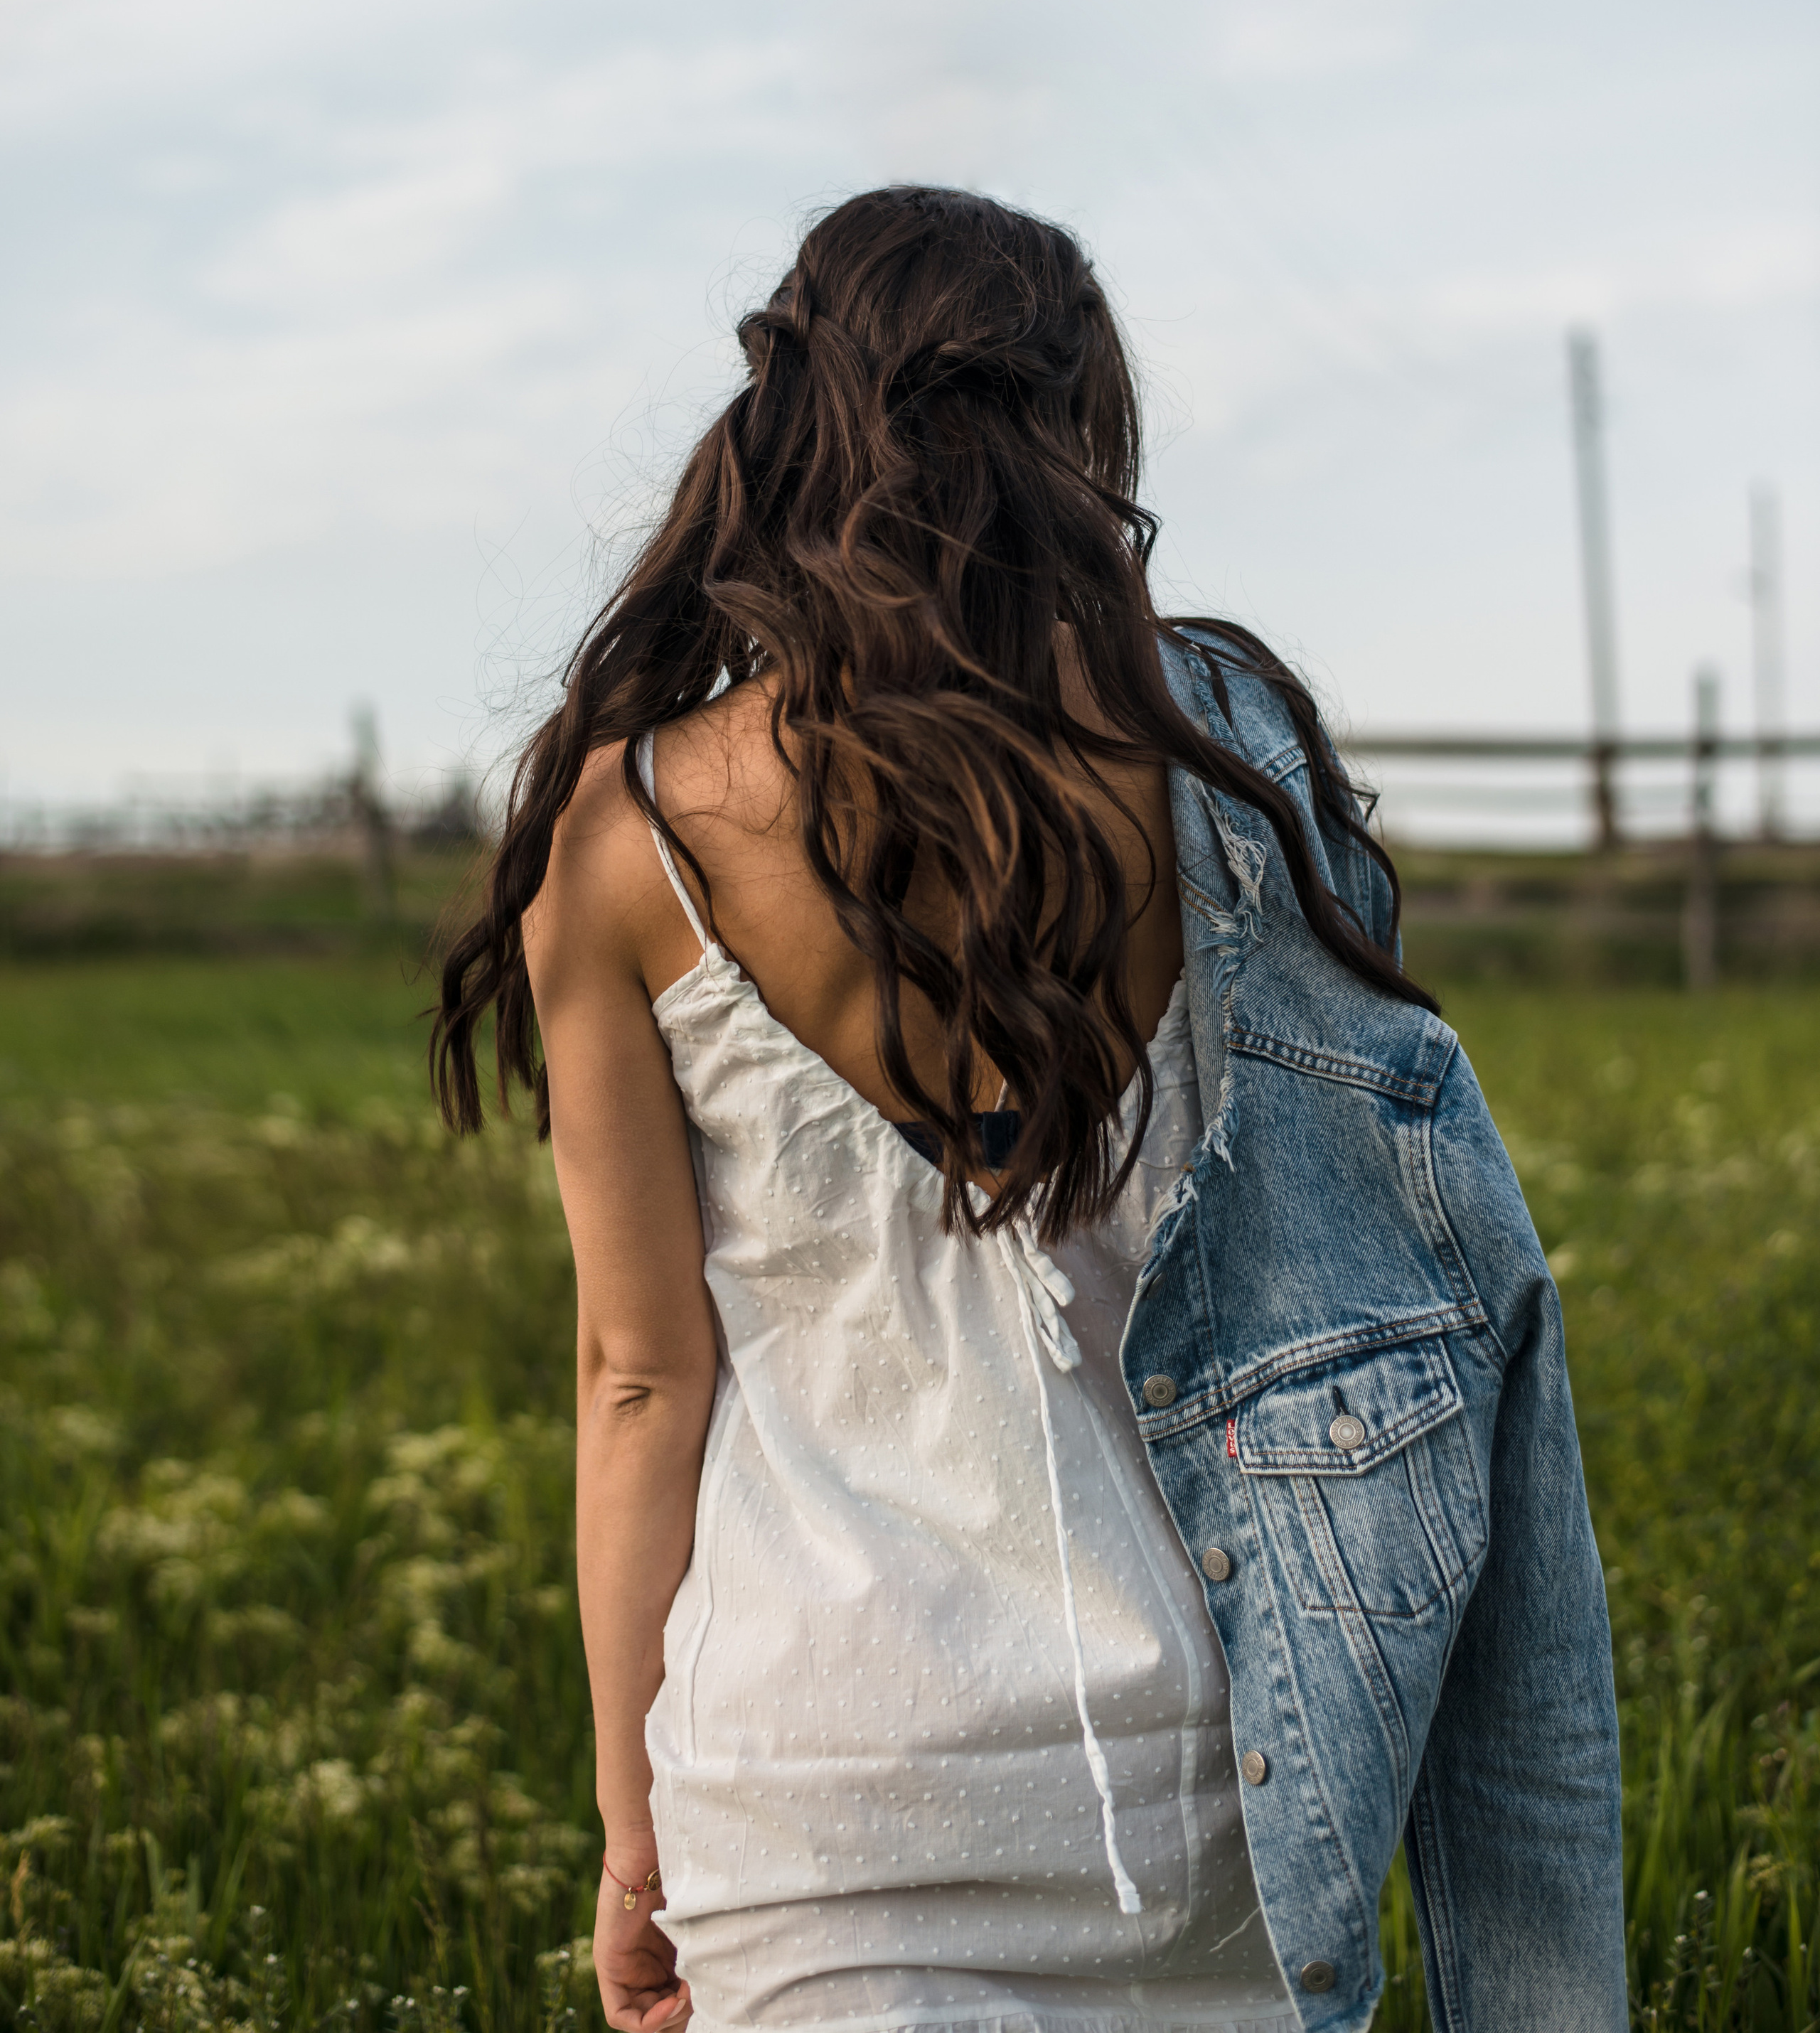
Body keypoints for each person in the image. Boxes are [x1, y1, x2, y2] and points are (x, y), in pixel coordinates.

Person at [433, 187, 1626, 2033]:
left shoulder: (629, 833)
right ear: (1079, 437)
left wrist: (631, 1832)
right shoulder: (1217, 757)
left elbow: (639, 1378)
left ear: (796, 426)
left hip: (811, 1805)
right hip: (1214, 1797)